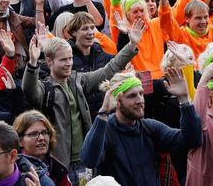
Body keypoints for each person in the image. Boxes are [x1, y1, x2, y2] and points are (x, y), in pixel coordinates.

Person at [23, 25, 141, 171]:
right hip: (59, 165)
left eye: (70, 59)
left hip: (85, 161)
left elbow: (108, 70)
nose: (69, 63)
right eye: (63, 60)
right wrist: (33, 63)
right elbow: (29, 91)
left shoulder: (77, 80)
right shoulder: (45, 89)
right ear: (49, 62)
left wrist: (131, 46)